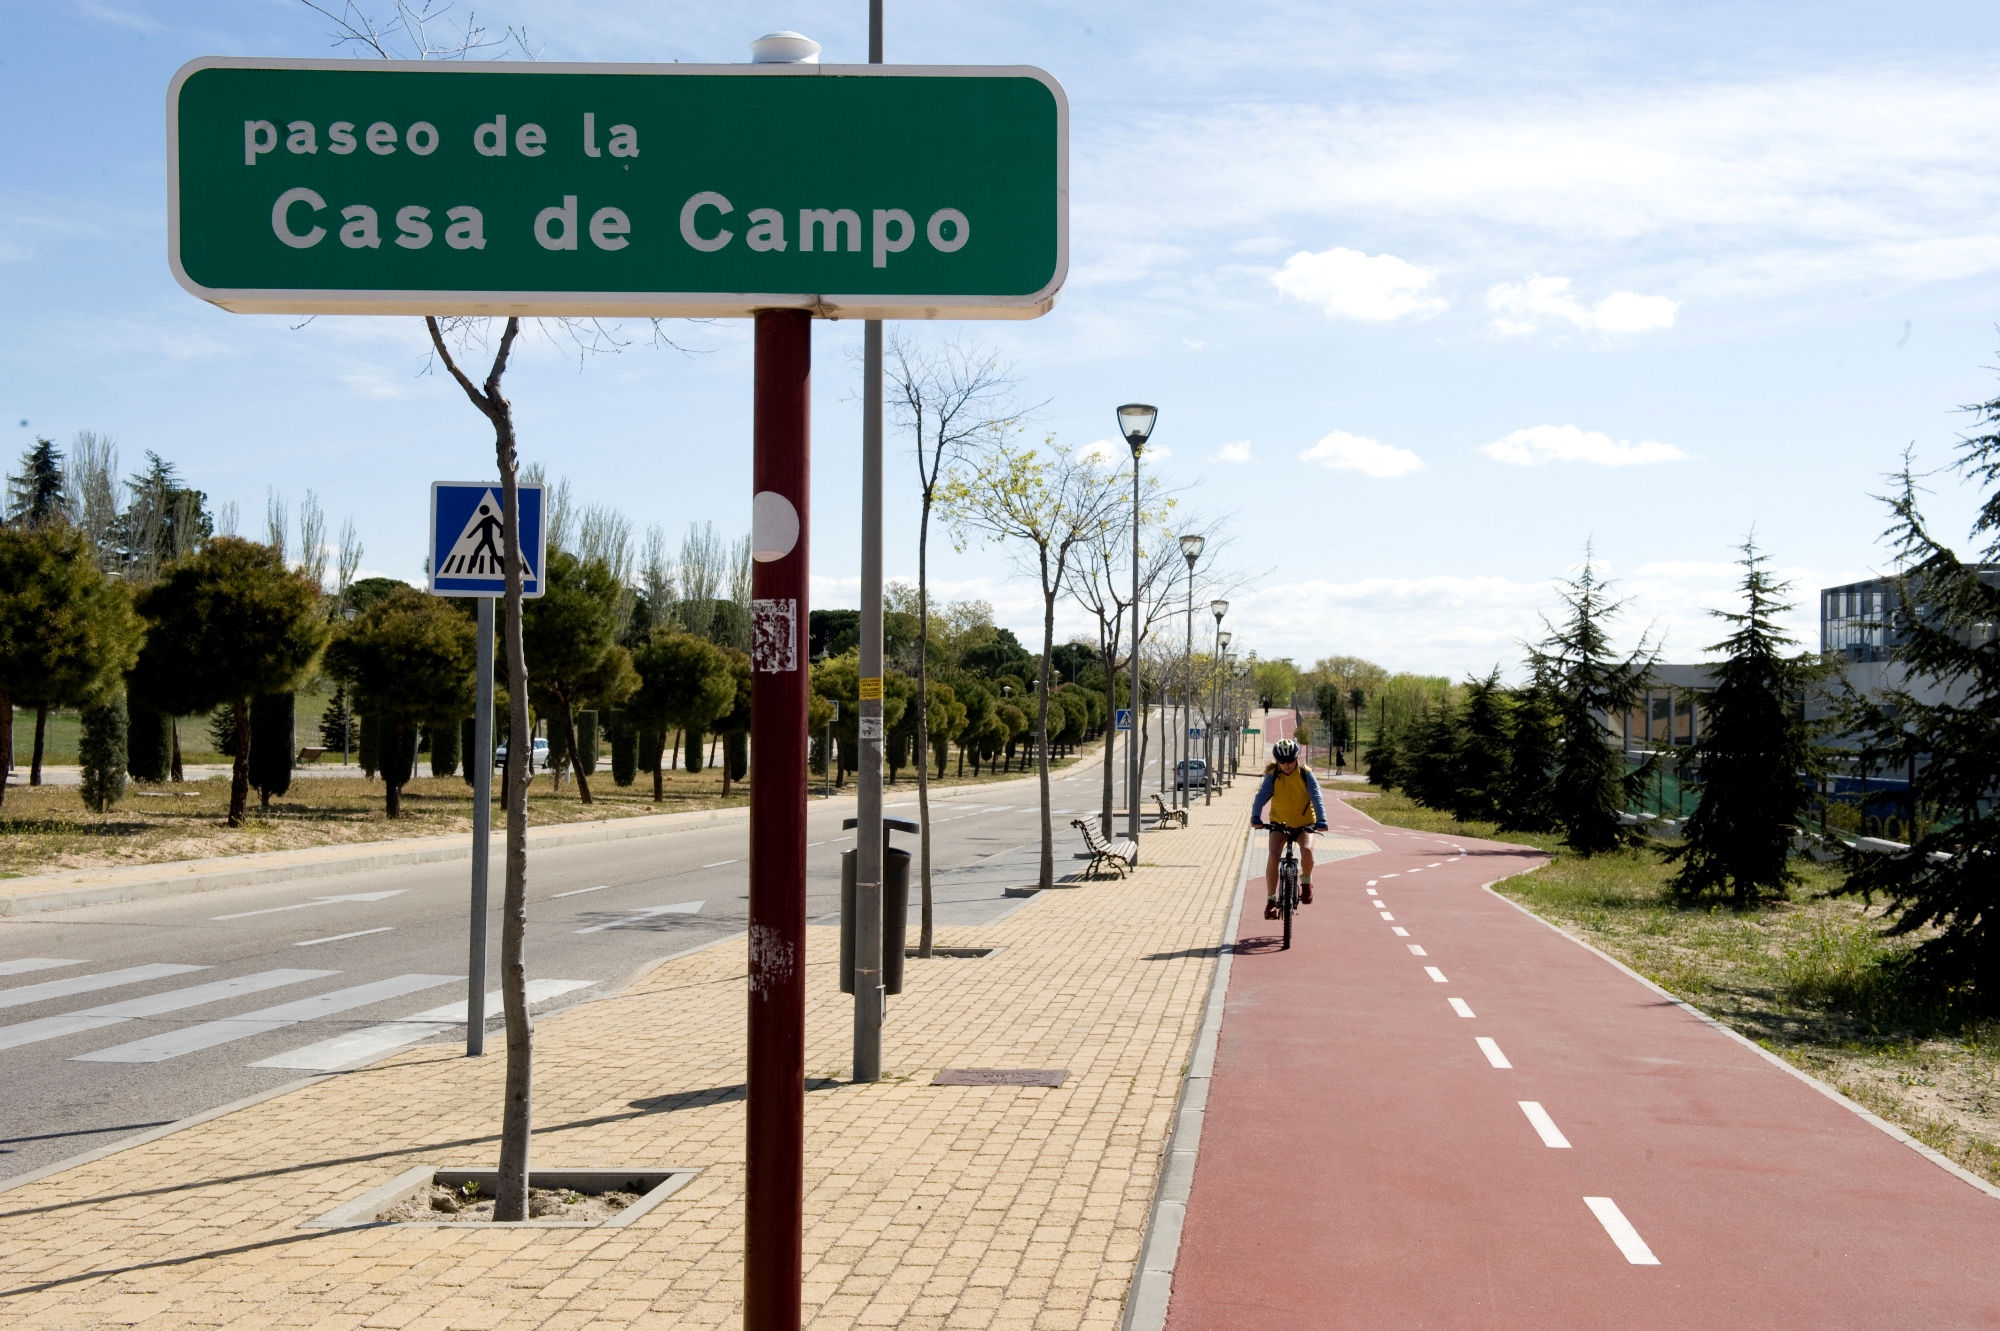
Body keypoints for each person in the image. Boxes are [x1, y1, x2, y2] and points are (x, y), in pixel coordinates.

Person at [1250, 738, 1328, 921]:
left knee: (1307, 850)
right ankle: (1270, 901)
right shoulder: (1273, 775)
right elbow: (1261, 797)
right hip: (1279, 822)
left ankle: (1307, 882)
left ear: (1297, 758)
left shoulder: (1305, 774)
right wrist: (1256, 817)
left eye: (1290, 761)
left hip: (1305, 823)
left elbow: (1317, 797)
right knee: (1274, 856)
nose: (1286, 765)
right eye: (1282, 762)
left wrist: (1322, 819)